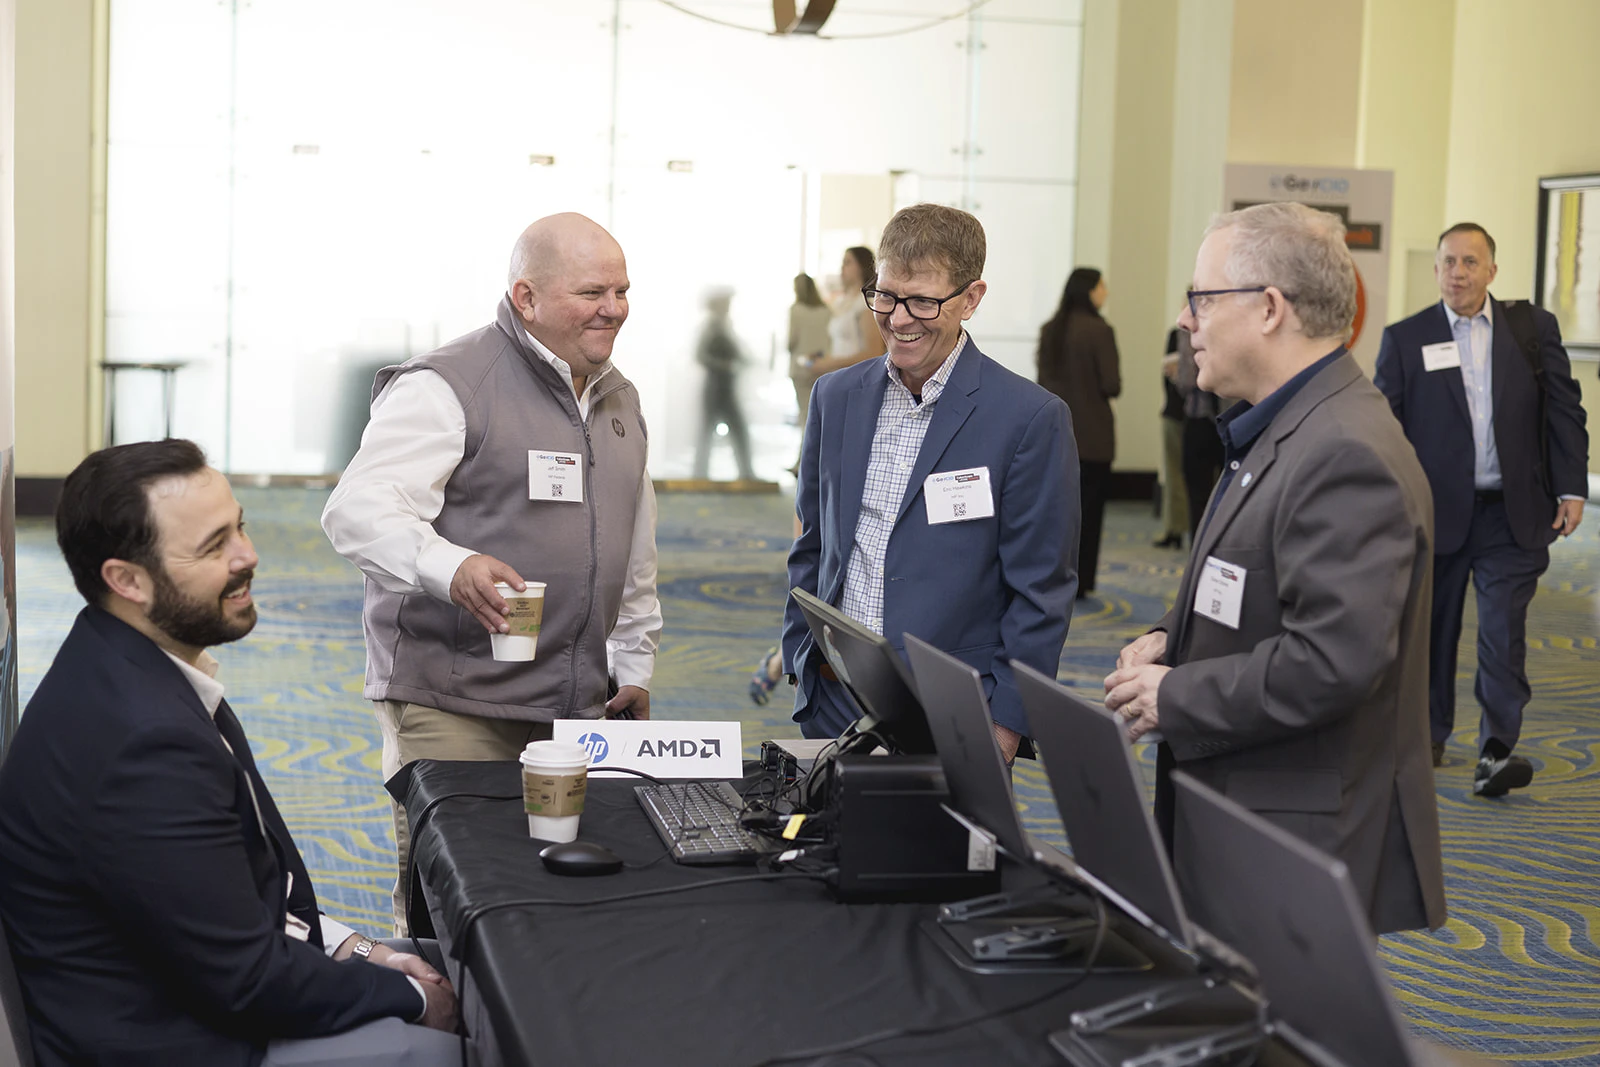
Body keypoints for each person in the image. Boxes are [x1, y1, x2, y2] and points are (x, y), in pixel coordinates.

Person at [0, 441, 459, 1066]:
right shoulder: (141, 744)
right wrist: (413, 998)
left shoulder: (129, 664)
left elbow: (234, 904)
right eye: (214, 546)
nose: (248, 554)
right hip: (180, 1041)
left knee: (460, 971)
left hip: (211, 986)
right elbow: (248, 979)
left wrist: (360, 951)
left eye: (238, 527)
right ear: (126, 581)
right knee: (470, 1042)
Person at [1104, 202, 1446, 935]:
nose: (1185, 320)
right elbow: (1253, 579)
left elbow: (1334, 660)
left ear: (1268, 308)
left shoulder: (1344, 450)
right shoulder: (1284, 424)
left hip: (1294, 836)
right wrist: (1171, 635)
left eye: (1201, 297)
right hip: (1251, 810)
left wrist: (1177, 693)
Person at [322, 212, 662, 934]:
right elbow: (356, 511)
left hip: (571, 708)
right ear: (525, 297)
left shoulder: (618, 398)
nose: (613, 309)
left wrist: (632, 659)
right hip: (456, 706)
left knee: (556, 897)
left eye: (622, 291)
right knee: (453, 904)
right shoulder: (449, 385)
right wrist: (452, 567)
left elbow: (633, 544)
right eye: (591, 292)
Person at [784, 203, 1078, 762]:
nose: (898, 320)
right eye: (886, 296)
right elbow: (813, 542)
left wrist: (1006, 725)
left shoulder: (1028, 418)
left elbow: (1040, 592)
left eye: (923, 301)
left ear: (971, 298)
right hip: (836, 700)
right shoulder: (835, 398)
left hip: (956, 711)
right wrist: (802, 658)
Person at [1374, 223, 1589, 794]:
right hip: (1433, 513)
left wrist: (1572, 488)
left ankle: (1496, 750)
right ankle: (1428, 733)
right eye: (1448, 261)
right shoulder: (1406, 338)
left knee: (1502, 634)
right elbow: (1384, 431)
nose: (1458, 273)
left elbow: (1564, 410)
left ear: (1492, 270)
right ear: (1436, 270)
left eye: (1470, 262)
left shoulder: (1531, 330)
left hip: (1510, 514)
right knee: (1431, 632)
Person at [1036, 268, 1120, 597]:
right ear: (1089, 290)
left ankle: (1055, 575)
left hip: (1056, 434)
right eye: (1102, 286)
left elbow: (1042, 383)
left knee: (1058, 512)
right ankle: (1082, 581)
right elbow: (1112, 384)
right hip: (1094, 436)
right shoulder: (1100, 330)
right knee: (1090, 512)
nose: (1106, 292)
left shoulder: (1050, 329)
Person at [692, 287, 756, 482]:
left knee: (734, 431)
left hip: (726, 387)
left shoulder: (724, 325)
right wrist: (725, 366)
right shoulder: (712, 327)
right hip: (715, 387)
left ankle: (745, 472)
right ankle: (701, 475)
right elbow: (700, 355)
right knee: (710, 432)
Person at [1174, 325, 1230, 541]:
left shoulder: (1188, 330)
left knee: (1198, 496)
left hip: (1199, 419)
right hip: (1231, 416)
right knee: (1229, 492)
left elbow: (1186, 380)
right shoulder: (1231, 324)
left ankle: (1199, 549)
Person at [808, 246, 886, 376]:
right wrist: (824, 360)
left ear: (861, 266)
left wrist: (832, 363)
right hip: (838, 376)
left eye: (847, 262)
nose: (842, 267)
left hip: (856, 377)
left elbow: (874, 353)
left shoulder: (866, 304)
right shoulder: (842, 302)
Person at [1155, 328, 1189, 547]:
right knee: (1174, 474)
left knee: (1178, 474)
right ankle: (1174, 528)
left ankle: (1178, 529)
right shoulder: (1177, 335)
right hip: (1179, 414)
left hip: (1194, 417)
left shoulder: (1181, 336)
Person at [787, 272, 833, 428]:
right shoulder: (826, 310)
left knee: (804, 414)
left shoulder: (796, 310)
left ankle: (805, 443)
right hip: (821, 363)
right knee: (818, 413)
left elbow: (791, 340)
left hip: (800, 365)